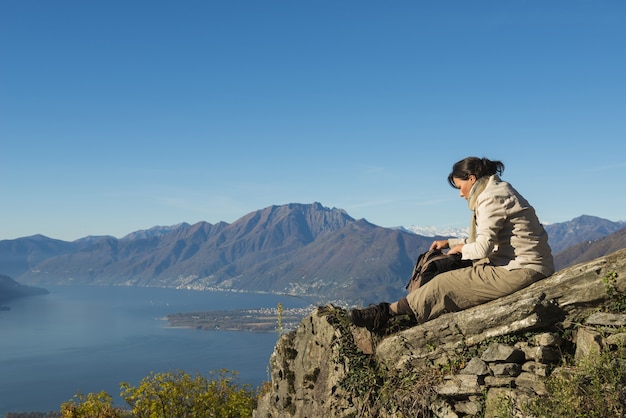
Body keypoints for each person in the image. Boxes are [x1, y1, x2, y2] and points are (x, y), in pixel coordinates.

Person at [349, 156, 554, 331]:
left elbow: (483, 248)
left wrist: (461, 248)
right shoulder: (496, 190)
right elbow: (489, 239)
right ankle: (409, 311)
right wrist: (451, 243)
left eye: (460, 186)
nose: (460, 193)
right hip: (518, 263)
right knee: (446, 270)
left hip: (521, 269)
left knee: (443, 283)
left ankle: (385, 314)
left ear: (471, 179)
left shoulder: (491, 198)